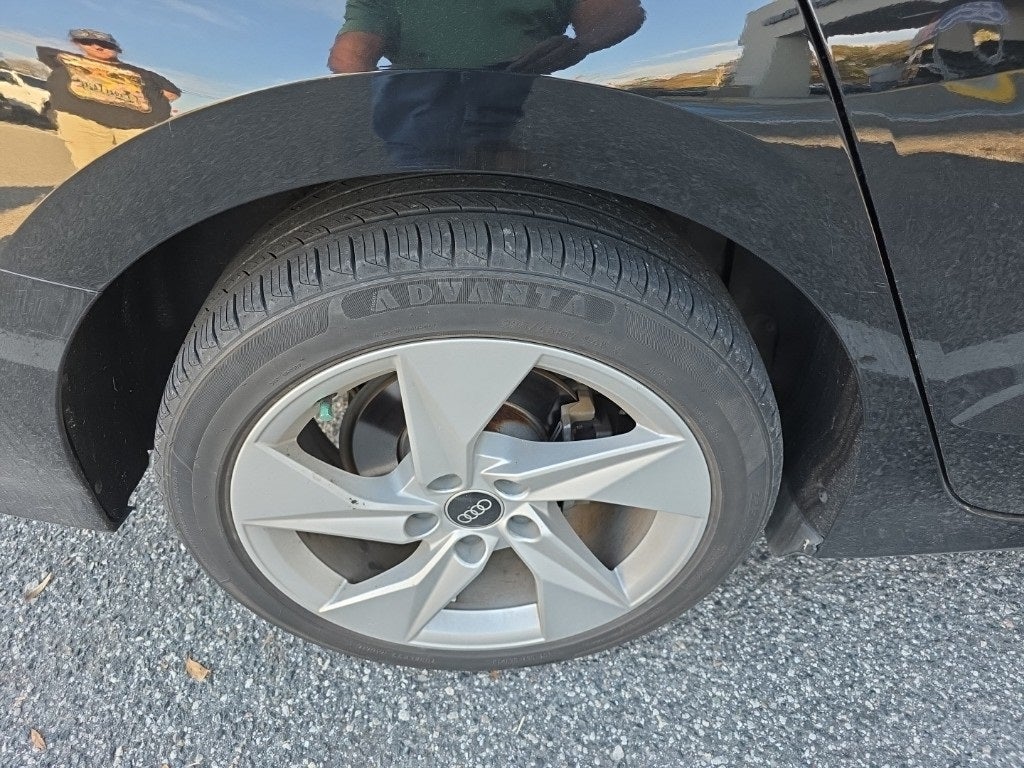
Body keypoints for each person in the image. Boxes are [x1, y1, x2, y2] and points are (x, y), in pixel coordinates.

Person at [327, 0, 645, 74]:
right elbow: (350, 55)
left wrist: (581, 46)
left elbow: (619, 12)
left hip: (530, 102)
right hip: (422, 112)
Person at [38, 29, 181, 169]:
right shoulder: (67, 60)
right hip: (84, 121)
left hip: (138, 126)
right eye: (87, 42)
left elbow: (171, 93)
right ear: (77, 44)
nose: (97, 46)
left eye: (105, 44)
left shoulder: (143, 73)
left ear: (117, 48)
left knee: (137, 169)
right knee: (94, 168)